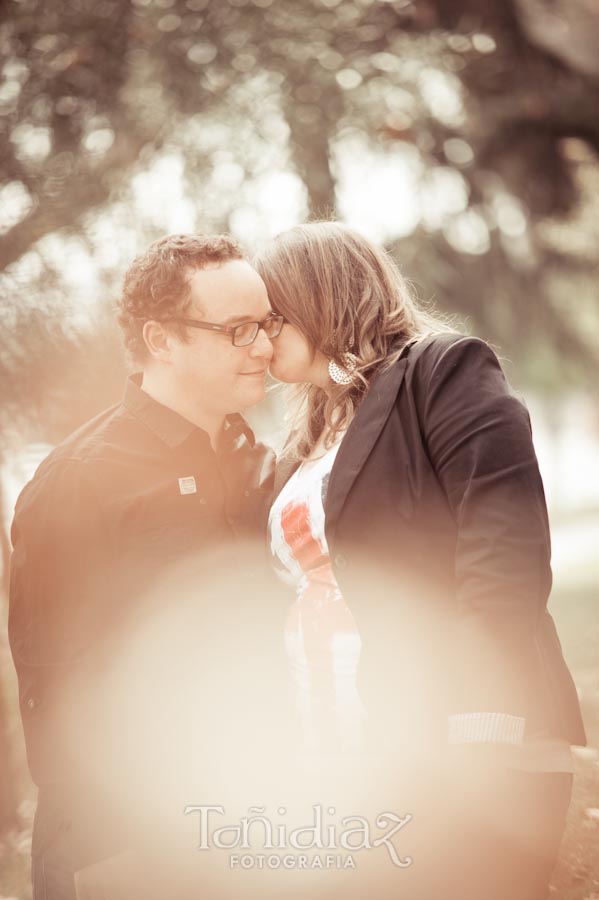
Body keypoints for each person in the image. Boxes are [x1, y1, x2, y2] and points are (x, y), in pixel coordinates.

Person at [254, 221, 586, 900]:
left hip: (461, 734)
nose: (261, 340)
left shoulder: (441, 371)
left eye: (271, 318)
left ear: (319, 300)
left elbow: (502, 549)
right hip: (346, 741)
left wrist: (478, 722)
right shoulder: (307, 435)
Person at [8, 233, 286, 900]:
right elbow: (54, 682)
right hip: (123, 838)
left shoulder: (250, 454)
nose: (265, 347)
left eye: (267, 324)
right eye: (239, 329)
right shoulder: (80, 478)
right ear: (162, 341)